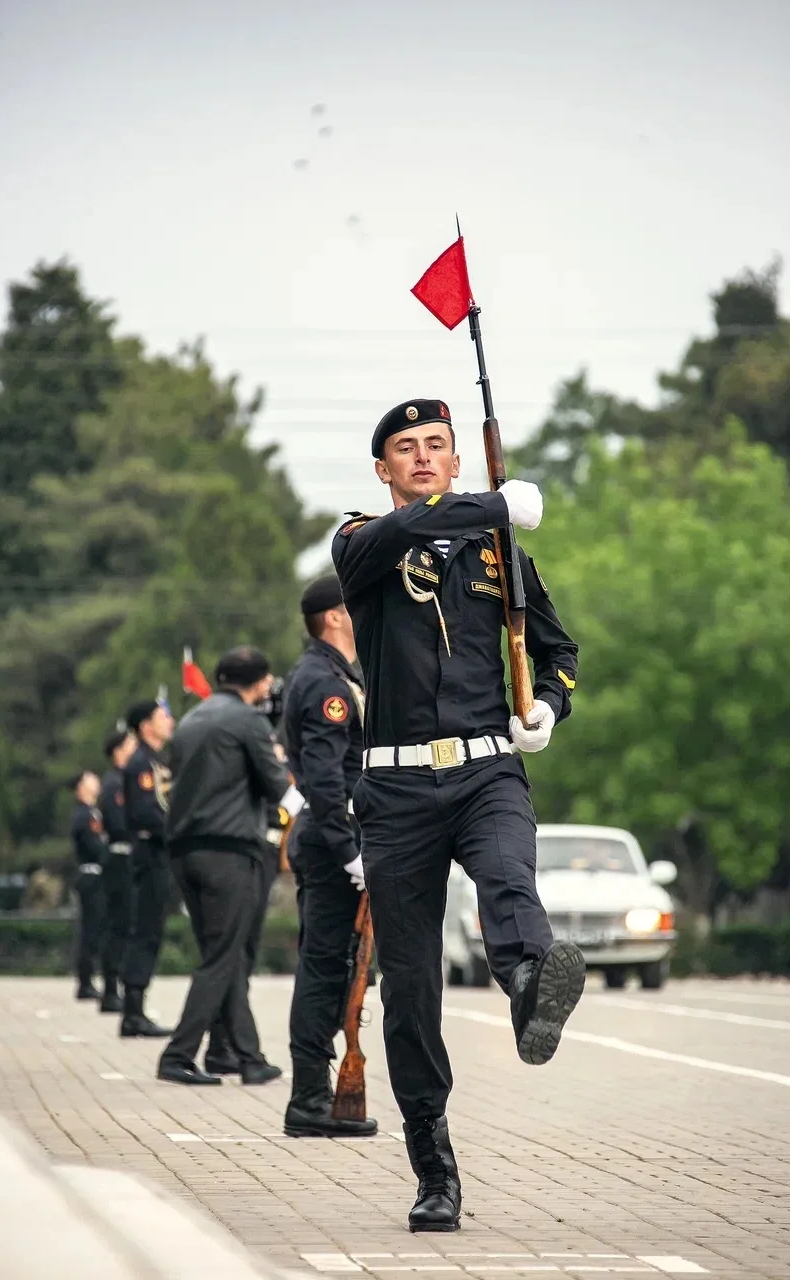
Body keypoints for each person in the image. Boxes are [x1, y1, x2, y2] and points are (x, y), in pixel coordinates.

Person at [332, 398, 585, 1233]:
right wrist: (493, 505)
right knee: (411, 991)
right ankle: (433, 1168)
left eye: (436, 444)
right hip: (396, 790)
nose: (422, 456)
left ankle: (530, 986)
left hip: (486, 770)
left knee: (509, 877)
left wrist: (546, 707)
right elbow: (409, 528)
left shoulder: (498, 553)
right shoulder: (362, 541)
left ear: (455, 457)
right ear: (383, 469)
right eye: (405, 447)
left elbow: (558, 651)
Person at [158, 646, 304, 1085]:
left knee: (223, 953)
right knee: (225, 955)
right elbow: (279, 788)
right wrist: (325, 808)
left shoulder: (191, 719)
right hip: (229, 851)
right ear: (260, 682)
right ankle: (178, 1055)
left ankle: (238, 1054)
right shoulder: (248, 721)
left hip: (184, 850)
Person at [281, 574, 377, 1138]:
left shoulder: (338, 674)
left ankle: (316, 1095)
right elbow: (323, 778)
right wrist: (348, 853)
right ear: (335, 616)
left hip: (337, 838)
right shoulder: (324, 682)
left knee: (343, 966)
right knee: (323, 968)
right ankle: (309, 1100)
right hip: (331, 842)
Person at [120, 697, 176, 1038]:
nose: (170, 721)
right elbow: (145, 813)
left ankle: (136, 1008)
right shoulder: (140, 763)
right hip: (149, 850)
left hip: (160, 851)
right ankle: (132, 1012)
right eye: (162, 716)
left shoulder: (157, 760)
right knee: (144, 930)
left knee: (152, 929)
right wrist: (177, 830)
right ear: (145, 726)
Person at [97, 728, 138, 1014]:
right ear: (118, 751)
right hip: (120, 857)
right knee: (119, 925)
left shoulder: (124, 780)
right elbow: (118, 823)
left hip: (129, 858)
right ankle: (111, 988)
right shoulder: (115, 784)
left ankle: (116, 986)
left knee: (126, 924)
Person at [69, 770, 108, 1001]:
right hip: (91, 874)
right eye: (91, 779)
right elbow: (94, 845)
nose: (97, 782)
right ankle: (85, 981)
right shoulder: (84, 815)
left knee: (96, 928)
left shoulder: (93, 812)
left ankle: (88, 978)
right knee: (90, 930)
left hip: (96, 875)